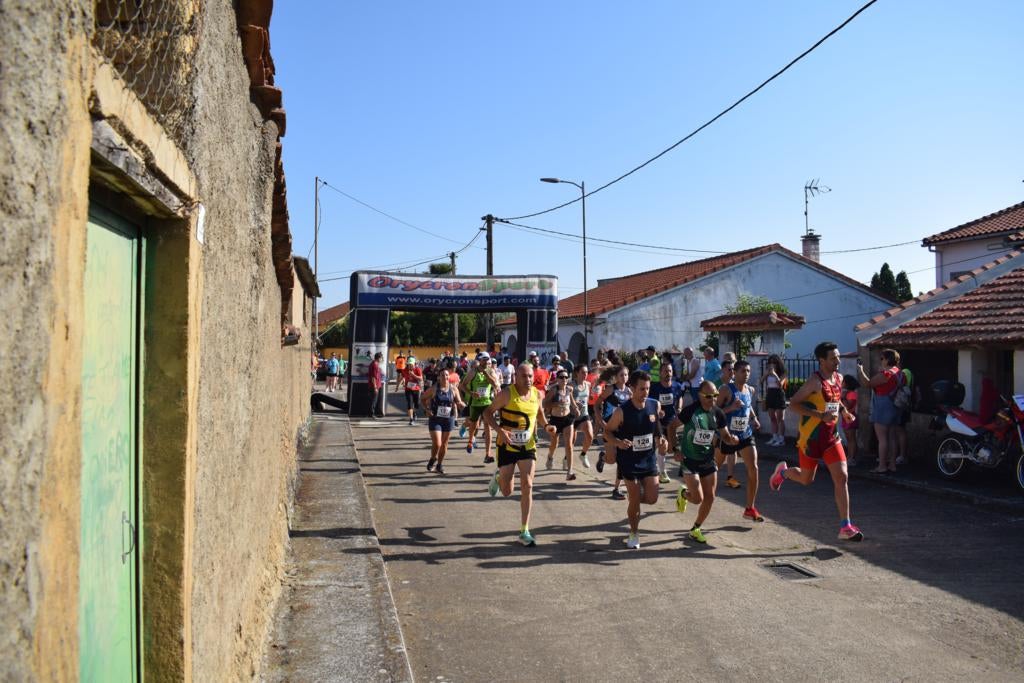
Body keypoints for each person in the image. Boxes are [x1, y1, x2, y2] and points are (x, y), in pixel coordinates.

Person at [770, 341, 863, 541]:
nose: (837, 361)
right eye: (833, 358)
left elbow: (835, 399)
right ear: (822, 361)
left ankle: (845, 526)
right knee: (806, 479)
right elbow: (793, 404)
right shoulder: (814, 381)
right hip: (810, 439)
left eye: (838, 357)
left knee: (842, 477)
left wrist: (845, 412)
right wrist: (820, 416)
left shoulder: (838, 378)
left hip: (831, 438)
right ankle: (783, 472)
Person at [485, 363, 557, 546]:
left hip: (527, 446)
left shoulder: (536, 394)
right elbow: (487, 413)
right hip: (507, 446)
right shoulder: (506, 394)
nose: (528, 380)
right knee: (507, 492)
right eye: (524, 376)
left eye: (531, 376)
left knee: (528, 484)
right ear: (515, 377)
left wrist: (547, 426)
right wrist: (500, 431)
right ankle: (499, 475)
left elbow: (539, 415)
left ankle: (524, 530)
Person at [602, 370, 667, 549]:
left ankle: (634, 503)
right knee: (635, 496)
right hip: (628, 459)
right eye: (641, 389)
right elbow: (607, 432)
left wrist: (662, 439)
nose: (645, 393)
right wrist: (617, 442)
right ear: (632, 388)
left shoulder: (654, 405)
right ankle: (634, 533)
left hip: (648, 458)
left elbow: (656, 425)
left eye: (647, 389)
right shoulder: (622, 412)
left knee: (652, 498)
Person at [672, 380, 738, 543]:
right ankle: (684, 494)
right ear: (700, 396)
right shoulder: (691, 410)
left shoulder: (718, 413)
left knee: (710, 497)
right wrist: (675, 449)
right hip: (689, 459)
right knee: (698, 498)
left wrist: (732, 440)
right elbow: (671, 427)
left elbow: (725, 435)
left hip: (708, 459)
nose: (712, 399)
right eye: (708, 396)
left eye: (715, 395)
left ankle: (696, 528)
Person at [717, 360, 764, 522]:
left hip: (745, 435)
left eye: (748, 371)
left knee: (754, 468)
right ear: (734, 373)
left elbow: (748, 406)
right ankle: (691, 492)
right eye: (743, 371)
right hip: (727, 436)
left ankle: (750, 508)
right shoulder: (725, 390)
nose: (746, 374)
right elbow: (713, 413)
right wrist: (730, 408)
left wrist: (754, 418)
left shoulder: (749, 390)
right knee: (711, 471)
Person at [856, 348, 902, 473]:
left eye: (882, 358)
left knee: (882, 438)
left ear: (887, 360)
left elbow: (867, 384)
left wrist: (860, 370)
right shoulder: (899, 372)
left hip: (883, 405)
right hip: (895, 405)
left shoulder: (886, 374)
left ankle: (882, 466)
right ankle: (892, 465)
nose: (880, 361)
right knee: (892, 437)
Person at [595, 365, 630, 500]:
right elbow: (598, 403)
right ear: (616, 377)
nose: (624, 377)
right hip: (609, 428)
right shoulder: (611, 389)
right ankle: (603, 458)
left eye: (626, 375)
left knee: (622, 459)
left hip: (622, 429)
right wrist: (599, 419)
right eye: (621, 375)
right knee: (612, 459)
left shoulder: (629, 392)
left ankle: (616, 489)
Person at [421, 369, 466, 474]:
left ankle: (439, 465)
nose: (445, 377)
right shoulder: (434, 389)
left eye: (446, 375)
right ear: (439, 377)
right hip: (435, 419)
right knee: (437, 443)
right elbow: (422, 398)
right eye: (442, 375)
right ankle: (433, 458)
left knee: (444, 444)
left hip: (448, 419)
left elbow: (458, 401)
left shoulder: (454, 389)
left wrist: (461, 405)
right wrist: (426, 410)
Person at [460, 353, 500, 463]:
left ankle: (488, 454)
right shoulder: (473, 372)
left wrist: (486, 374)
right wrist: (471, 393)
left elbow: (495, 385)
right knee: (474, 424)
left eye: (487, 360)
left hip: (487, 403)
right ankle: (470, 441)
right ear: (479, 360)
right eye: (484, 360)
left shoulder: (490, 371)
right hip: (475, 403)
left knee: (488, 426)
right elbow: (462, 386)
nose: (486, 362)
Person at [543, 369, 581, 481]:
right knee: (554, 444)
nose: (564, 379)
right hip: (555, 420)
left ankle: (570, 471)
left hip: (567, 419)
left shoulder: (569, 389)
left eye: (566, 377)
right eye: (561, 377)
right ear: (557, 379)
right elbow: (544, 403)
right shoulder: (554, 390)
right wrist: (556, 403)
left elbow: (572, 401)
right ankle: (550, 457)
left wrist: (576, 408)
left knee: (569, 445)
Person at [649, 363, 684, 484]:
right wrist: (658, 411)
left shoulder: (677, 386)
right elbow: (650, 403)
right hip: (659, 423)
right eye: (665, 371)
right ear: (660, 373)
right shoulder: (654, 388)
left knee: (674, 449)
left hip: (672, 422)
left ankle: (684, 467)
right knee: (663, 446)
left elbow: (679, 397)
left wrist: (679, 407)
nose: (668, 374)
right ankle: (662, 472)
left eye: (669, 371)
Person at [714, 360, 740, 488]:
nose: (731, 372)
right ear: (723, 370)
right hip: (718, 426)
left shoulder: (735, 385)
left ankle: (730, 478)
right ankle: (708, 475)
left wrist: (753, 418)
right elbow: (714, 410)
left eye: (733, 370)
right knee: (718, 456)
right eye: (729, 369)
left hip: (733, 426)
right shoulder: (716, 385)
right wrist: (731, 408)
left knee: (732, 451)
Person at [570, 364, 595, 468]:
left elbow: (590, 397)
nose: (585, 374)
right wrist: (575, 403)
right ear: (577, 373)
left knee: (590, 435)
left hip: (584, 414)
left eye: (586, 372)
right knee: (572, 441)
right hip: (572, 416)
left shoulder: (588, 384)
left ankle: (583, 455)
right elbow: (566, 398)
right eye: (583, 372)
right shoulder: (571, 385)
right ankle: (567, 457)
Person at [762, 354, 788, 446]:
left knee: (780, 419)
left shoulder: (783, 373)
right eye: (770, 362)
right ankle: (774, 437)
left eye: (774, 362)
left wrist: (775, 374)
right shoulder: (768, 372)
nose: (772, 364)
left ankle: (781, 439)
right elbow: (761, 381)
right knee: (772, 418)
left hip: (779, 394)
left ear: (778, 363)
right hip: (770, 394)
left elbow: (780, 384)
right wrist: (766, 374)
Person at [841, 374, 860, 466]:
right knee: (848, 439)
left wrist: (843, 397)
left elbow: (848, 406)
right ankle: (849, 456)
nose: (841, 383)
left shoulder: (851, 394)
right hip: (845, 418)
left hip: (850, 417)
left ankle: (852, 458)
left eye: (843, 381)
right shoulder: (846, 393)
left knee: (851, 439)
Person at [401, 358, 424, 425]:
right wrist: (398, 385)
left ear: (414, 364)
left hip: (416, 389)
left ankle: (414, 413)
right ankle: (411, 419)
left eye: (411, 365)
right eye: (409, 365)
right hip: (408, 389)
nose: (410, 366)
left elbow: (421, 378)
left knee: (417, 404)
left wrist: (413, 375)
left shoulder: (417, 369)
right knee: (410, 403)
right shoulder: (405, 370)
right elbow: (402, 377)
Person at [367, 352, 384, 418]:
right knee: (373, 400)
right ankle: (371, 414)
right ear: (378, 358)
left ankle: (370, 413)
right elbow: (373, 377)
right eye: (381, 358)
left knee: (373, 400)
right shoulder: (374, 365)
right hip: (374, 385)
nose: (382, 359)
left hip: (375, 385)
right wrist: (375, 387)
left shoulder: (375, 364)